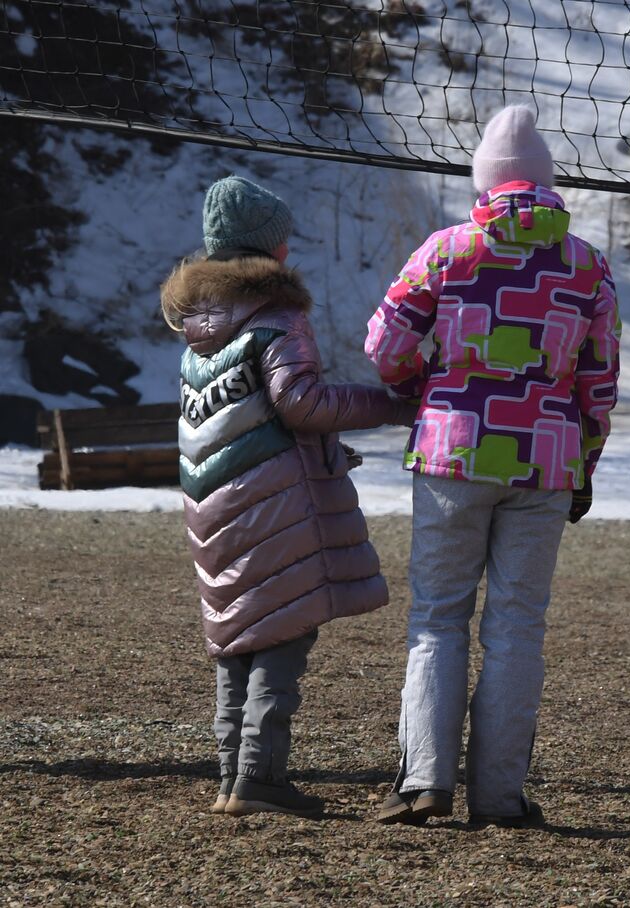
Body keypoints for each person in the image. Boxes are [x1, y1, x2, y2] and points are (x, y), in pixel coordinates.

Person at [365, 105, 621, 827]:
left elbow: (384, 349)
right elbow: (599, 386)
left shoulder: (446, 251)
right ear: (543, 185)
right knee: (516, 629)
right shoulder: (587, 266)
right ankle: (500, 797)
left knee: (437, 619)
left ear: (484, 184)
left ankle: (423, 783)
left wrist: (429, 381)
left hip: (453, 451)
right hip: (545, 462)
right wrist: (584, 463)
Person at [162, 175, 414, 816]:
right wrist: (391, 405)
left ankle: (231, 778)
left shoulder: (200, 328)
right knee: (281, 633)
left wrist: (324, 453)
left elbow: (241, 419)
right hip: (275, 505)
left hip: (215, 504)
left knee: (238, 634)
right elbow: (299, 402)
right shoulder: (277, 317)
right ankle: (262, 779)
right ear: (270, 250)